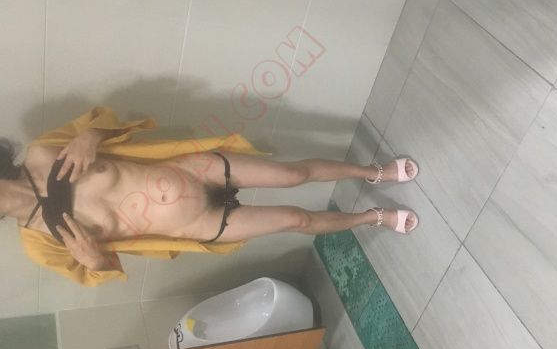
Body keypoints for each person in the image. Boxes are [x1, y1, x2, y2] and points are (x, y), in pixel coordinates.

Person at [2, 106, 419, 287]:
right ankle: (372, 218)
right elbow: (103, 270)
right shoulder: (39, 243)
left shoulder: (42, 152)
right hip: (198, 225)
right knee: (297, 220)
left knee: (293, 174)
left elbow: (112, 124)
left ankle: (373, 172)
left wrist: (92, 135)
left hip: (193, 170)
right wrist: (95, 262)